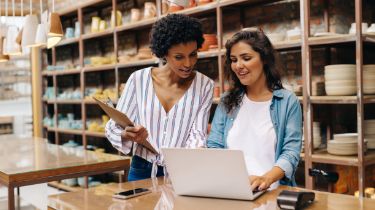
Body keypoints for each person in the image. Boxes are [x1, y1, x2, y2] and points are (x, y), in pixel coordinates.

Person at [105, 14, 214, 181]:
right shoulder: (138, 80)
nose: (188, 63)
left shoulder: (205, 85)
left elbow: (197, 134)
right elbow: (113, 127)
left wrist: (194, 161)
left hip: (182, 171)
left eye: (193, 54)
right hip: (141, 169)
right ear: (164, 53)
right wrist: (128, 134)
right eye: (179, 57)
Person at [206, 29, 302, 190]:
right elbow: (214, 146)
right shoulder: (227, 100)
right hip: (233, 190)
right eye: (234, 60)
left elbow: (290, 153)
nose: (238, 66)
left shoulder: (287, 101)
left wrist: (265, 179)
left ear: (264, 59)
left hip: (271, 191)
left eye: (246, 58)